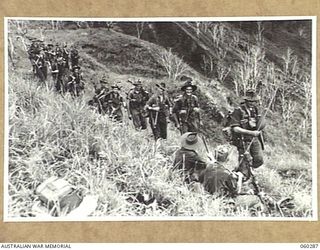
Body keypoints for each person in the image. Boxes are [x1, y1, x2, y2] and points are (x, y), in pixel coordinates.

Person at [173, 133, 238, 197]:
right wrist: (212, 159)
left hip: (177, 175)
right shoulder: (192, 155)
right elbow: (207, 164)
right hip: (185, 178)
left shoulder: (179, 151)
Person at [228, 89, 265, 192]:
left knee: (259, 160)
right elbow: (235, 128)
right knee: (245, 163)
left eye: (254, 101)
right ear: (246, 101)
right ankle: (240, 183)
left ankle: (246, 171)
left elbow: (260, 124)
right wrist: (250, 132)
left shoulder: (256, 110)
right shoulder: (238, 111)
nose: (253, 103)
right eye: (250, 101)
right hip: (243, 140)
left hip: (255, 139)